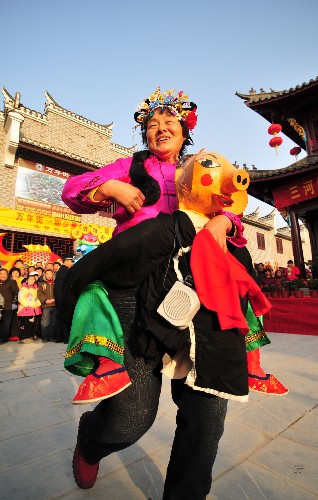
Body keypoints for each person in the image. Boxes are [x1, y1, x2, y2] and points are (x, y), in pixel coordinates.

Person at [61, 88, 252, 498]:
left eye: (169, 124)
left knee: (207, 411)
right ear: (144, 134)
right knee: (132, 417)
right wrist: (111, 188)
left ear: (185, 132)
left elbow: (234, 198)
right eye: (151, 125)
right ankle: (92, 440)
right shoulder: (129, 167)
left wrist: (226, 223)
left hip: (201, 286)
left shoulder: (202, 167)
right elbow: (73, 190)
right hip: (135, 285)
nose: (160, 130)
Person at [17, 273, 42, 343]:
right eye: (30, 279)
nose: (32, 281)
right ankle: (23, 338)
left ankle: (30, 336)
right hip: (25, 309)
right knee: (25, 323)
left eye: (33, 279)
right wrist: (28, 304)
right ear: (27, 280)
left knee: (32, 323)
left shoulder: (36, 289)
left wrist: (38, 303)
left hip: (34, 309)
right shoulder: (23, 289)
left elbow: (37, 298)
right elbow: (21, 298)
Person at [0, 268, 19, 344]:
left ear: (7, 274)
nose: (3, 275)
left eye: (4, 274)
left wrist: (14, 303)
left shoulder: (11, 282)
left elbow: (17, 293)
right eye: (1, 274)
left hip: (8, 306)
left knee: (6, 323)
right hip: (0, 306)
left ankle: (4, 338)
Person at [37, 269, 57, 342]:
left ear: (53, 275)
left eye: (50, 274)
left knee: (53, 322)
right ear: (45, 275)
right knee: (45, 322)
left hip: (55, 305)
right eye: (47, 274)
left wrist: (55, 299)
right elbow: (39, 294)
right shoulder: (41, 284)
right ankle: (45, 337)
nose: (49, 275)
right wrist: (46, 300)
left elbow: (58, 292)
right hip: (46, 306)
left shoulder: (56, 283)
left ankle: (52, 337)